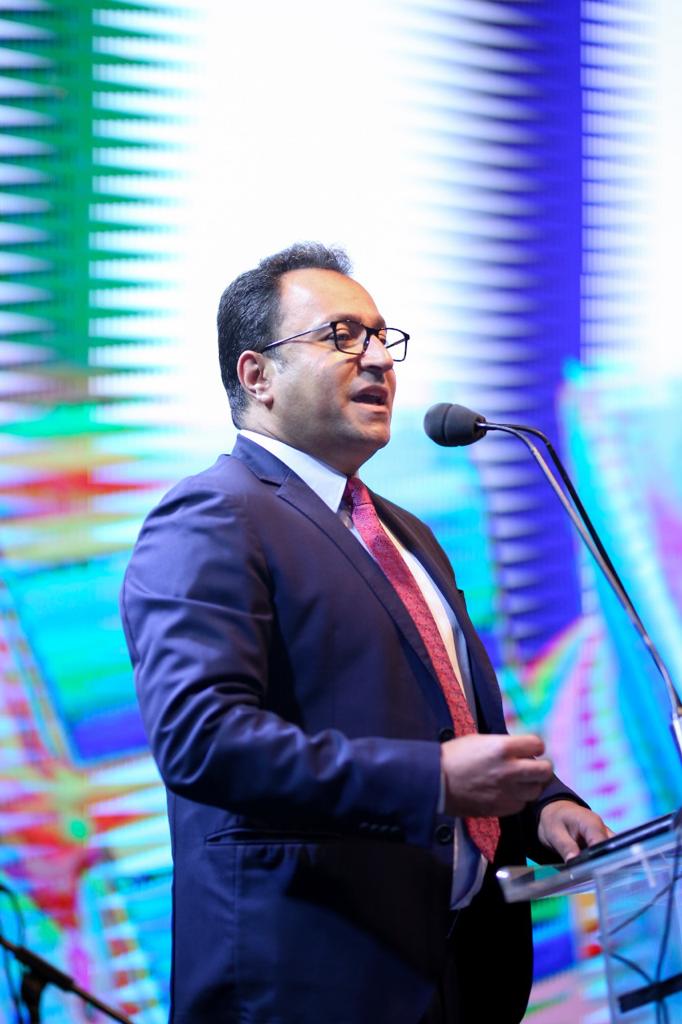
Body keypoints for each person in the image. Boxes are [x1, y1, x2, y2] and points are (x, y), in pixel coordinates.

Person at [120, 243, 610, 1024]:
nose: (379, 359)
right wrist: (431, 779)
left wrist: (541, 808)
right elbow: (201, 740)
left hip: (458, 971)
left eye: (383, 337)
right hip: (309, 981)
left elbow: (447, 722)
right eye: (342, 336)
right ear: (257, 375)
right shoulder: (214, 514)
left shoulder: (404, 532)